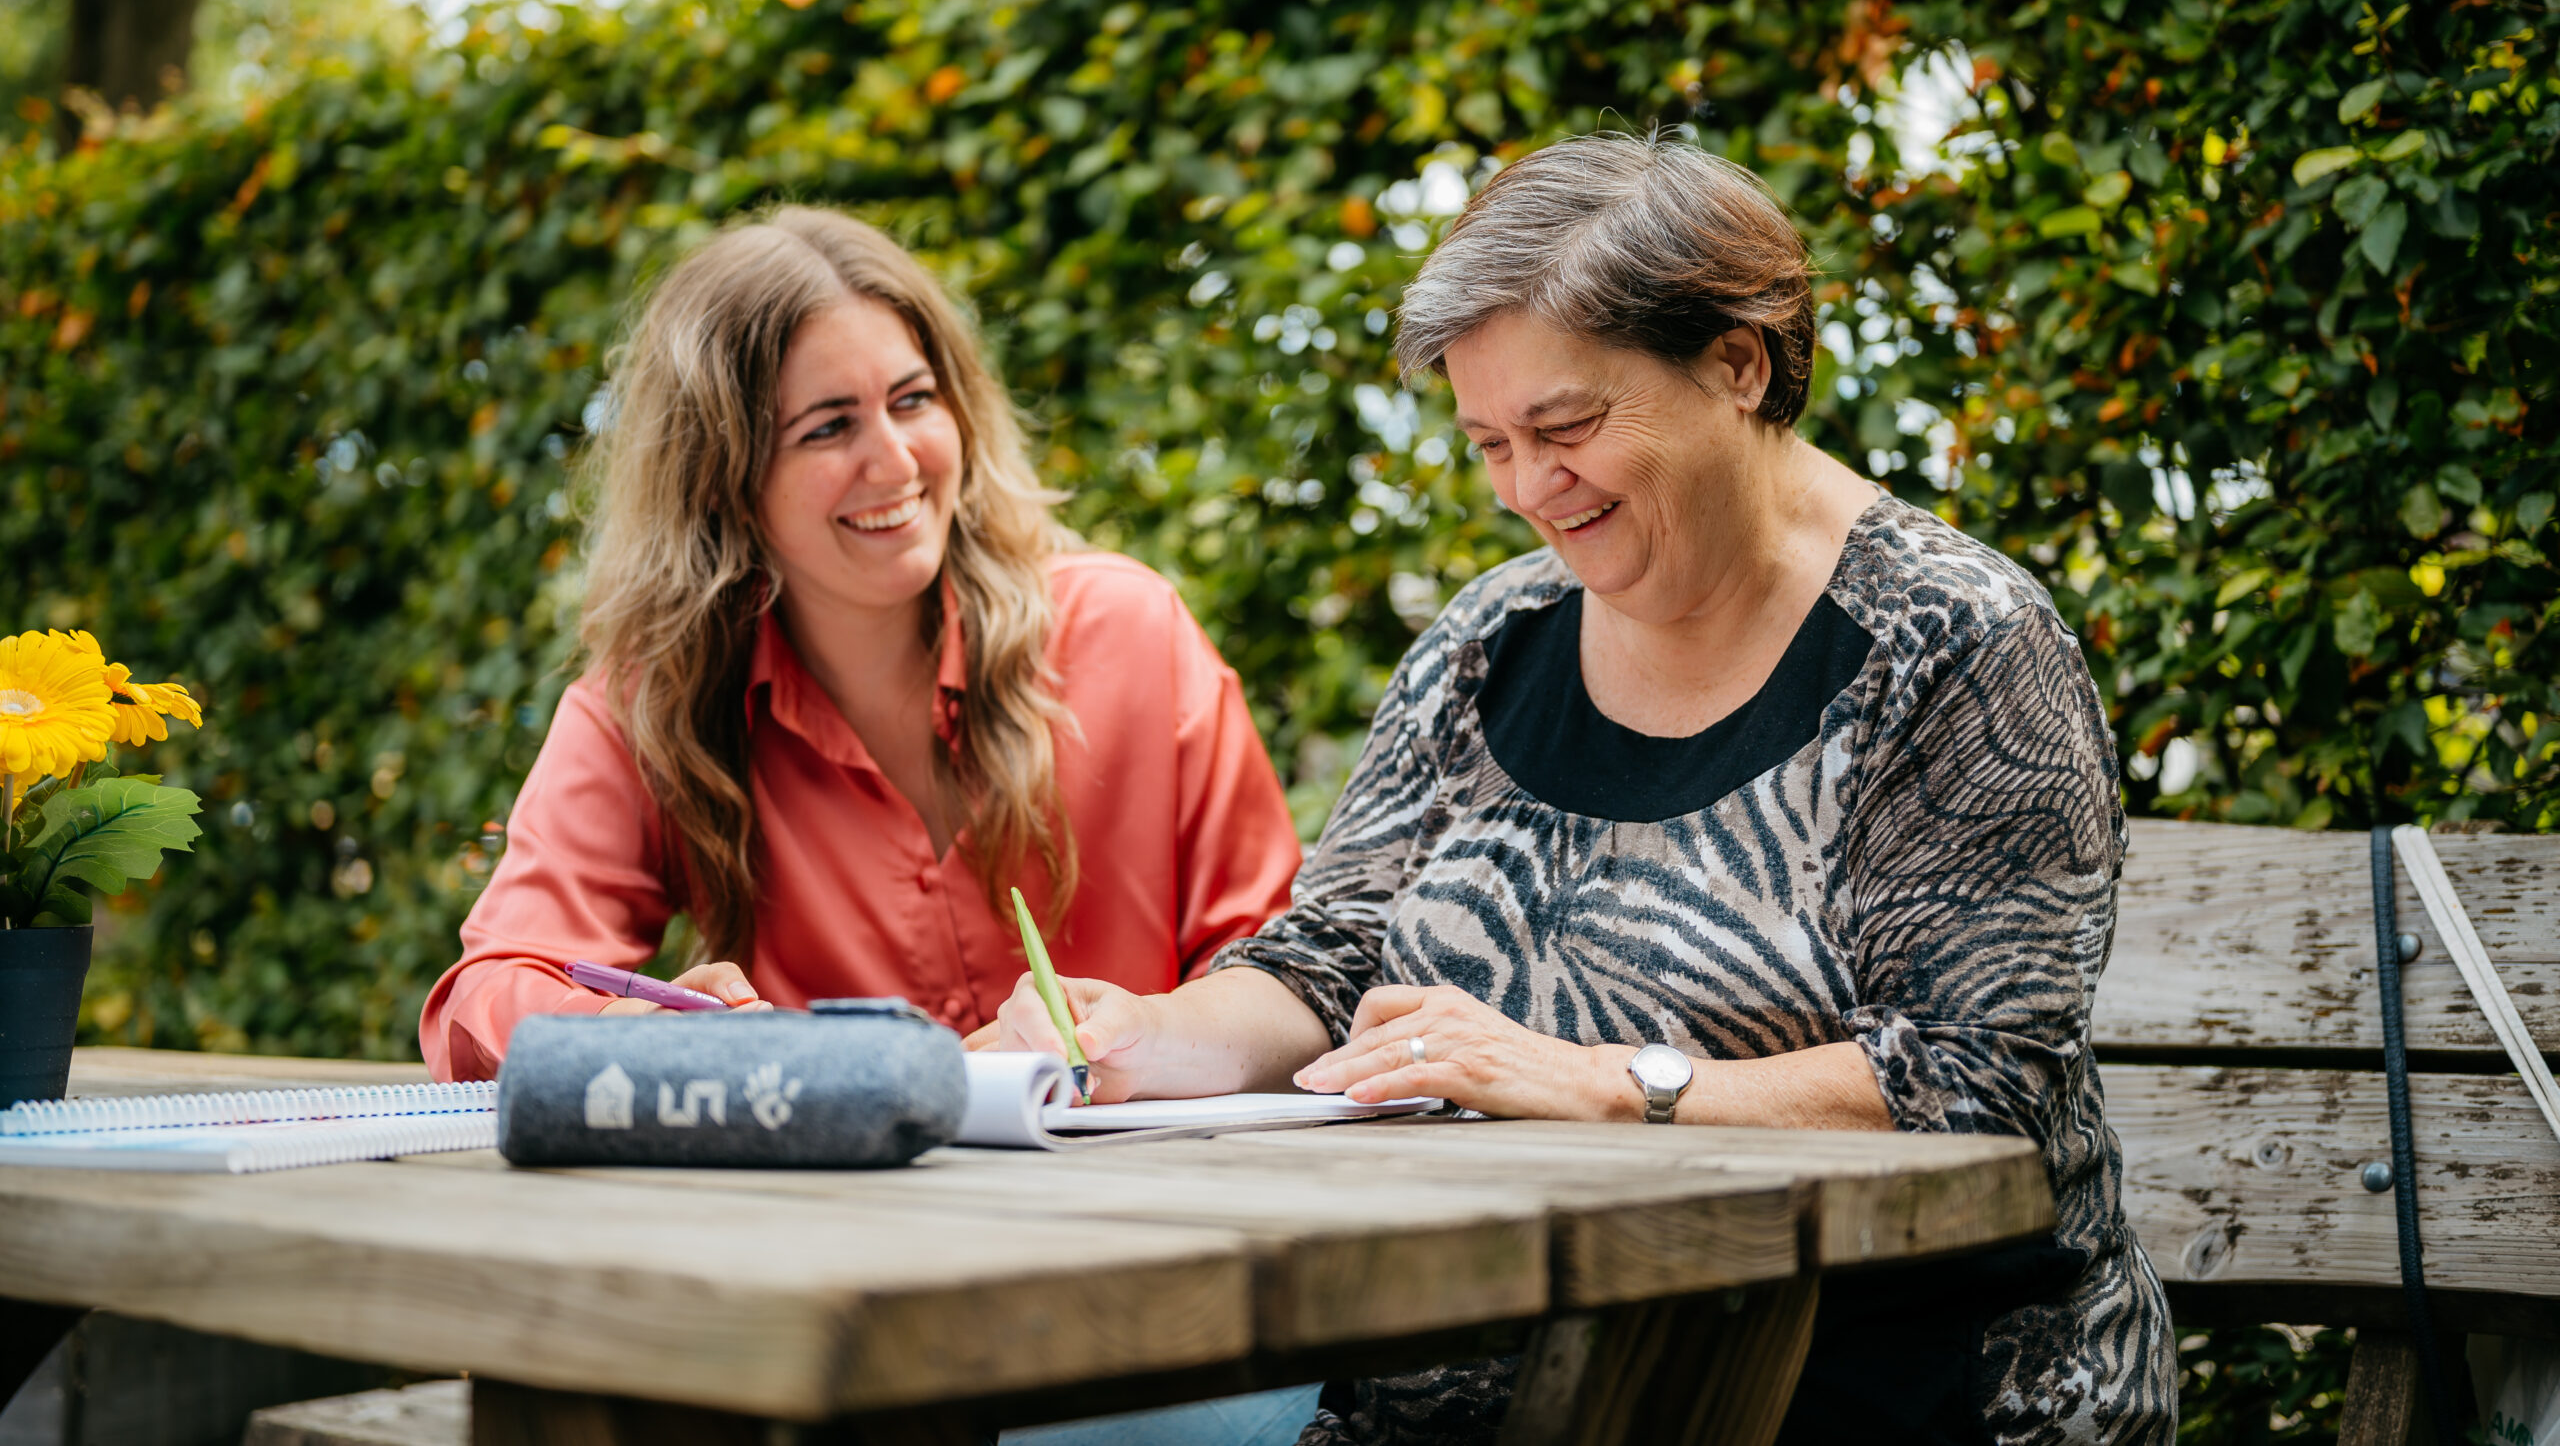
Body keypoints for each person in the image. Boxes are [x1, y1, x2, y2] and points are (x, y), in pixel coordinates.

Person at [994, 134, 2177, 1445]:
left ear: (1738, 363)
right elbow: (1331, 958)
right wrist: (1152, 1031)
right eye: (1489, 442)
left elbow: (1978, 1083)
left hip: (1870, 1384)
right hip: (1476, 1378)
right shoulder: (1491, 638)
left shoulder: (1951, 644)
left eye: (1566, 427)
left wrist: (1600, 1079)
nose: (1528, 488)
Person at [421, 206, 1300, 1080]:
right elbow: (484, 997)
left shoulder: (1132, 633)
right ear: (723, 481)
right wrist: (649, 1035)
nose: (897, 461)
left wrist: (1146, 1037)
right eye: (829, 427)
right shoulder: (654, 706)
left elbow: (1293, 974)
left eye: (913, 400)